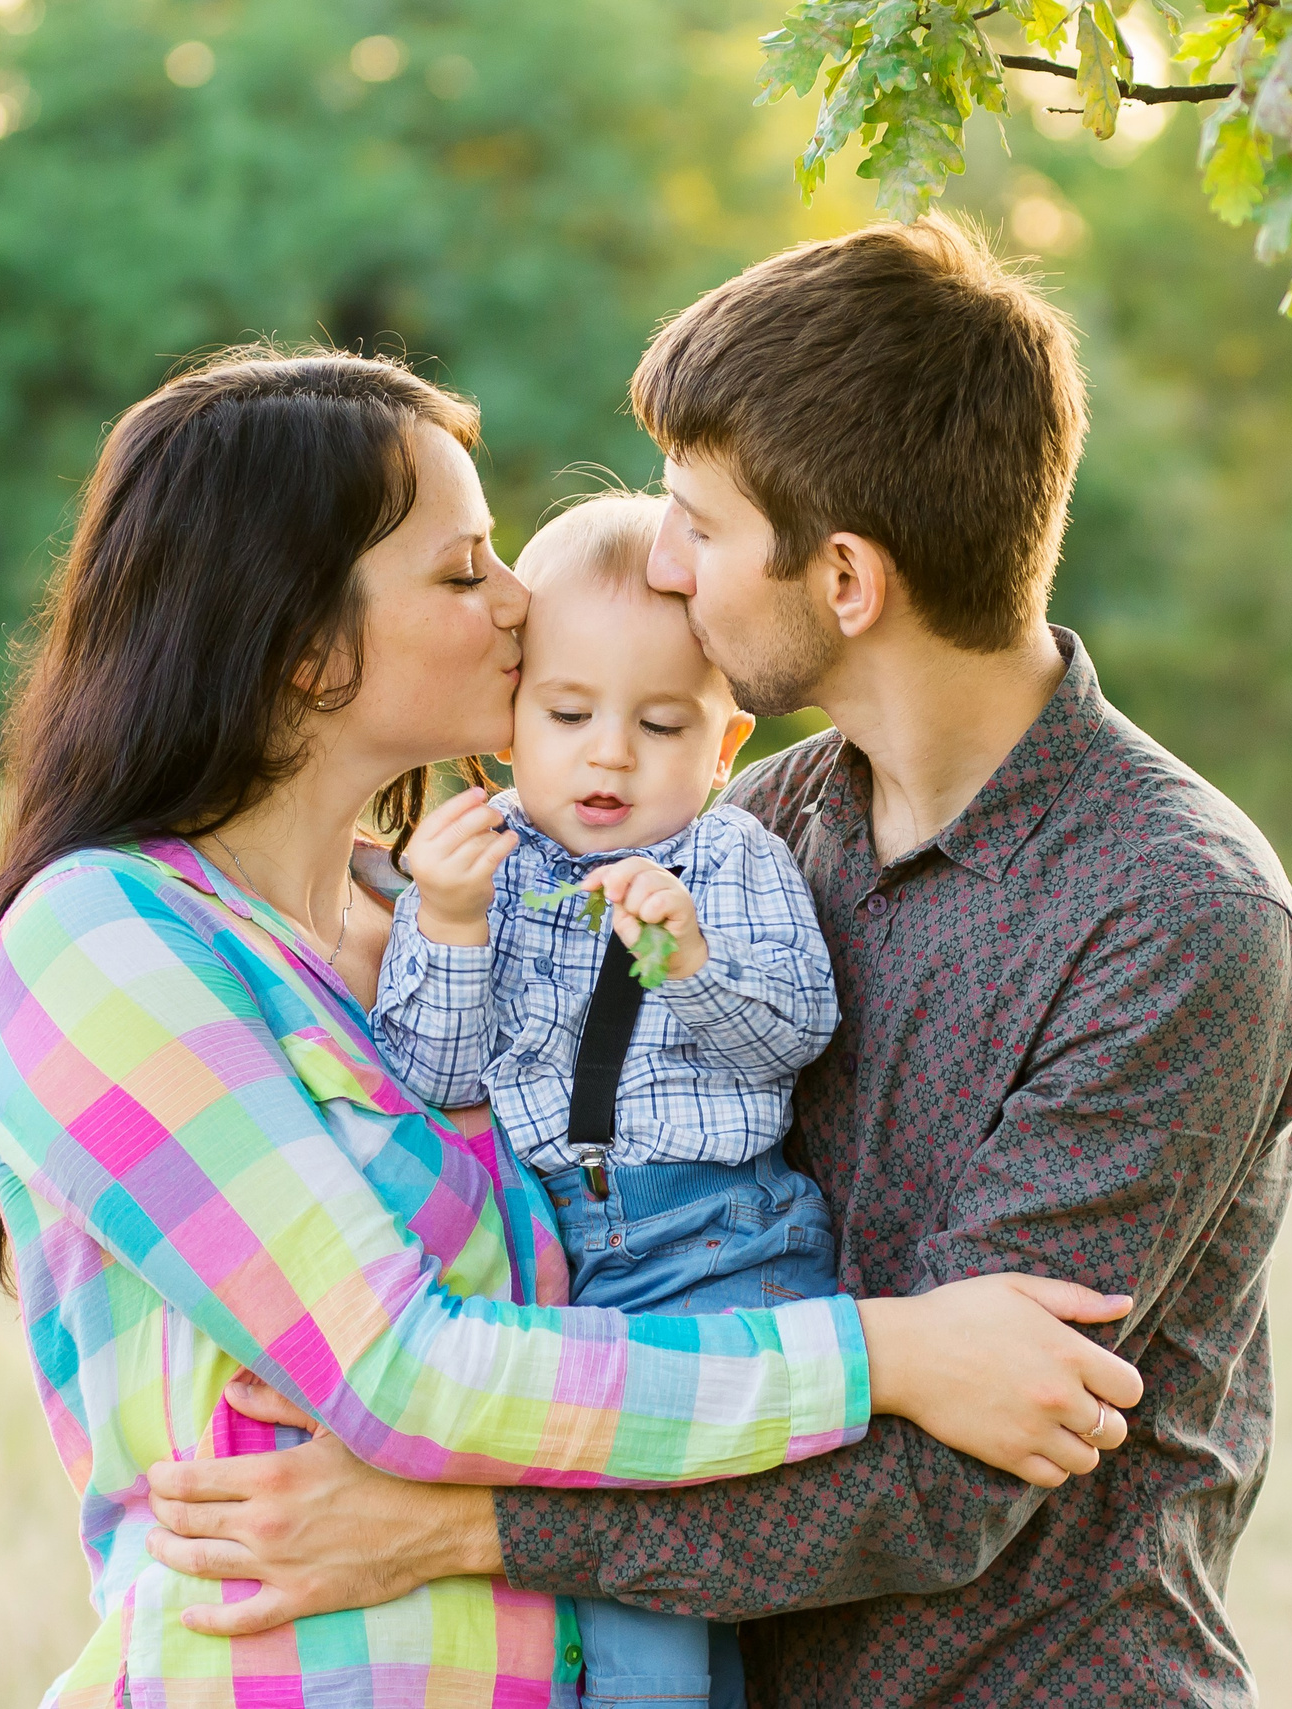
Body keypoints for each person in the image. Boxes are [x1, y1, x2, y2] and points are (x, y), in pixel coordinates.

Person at [142, 221, 1292, 1707]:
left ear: (844, 579)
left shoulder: (1172, 915)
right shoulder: (759, 822)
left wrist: (455, 1528)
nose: (662, 560)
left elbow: (947, 1482)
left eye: (696, 523)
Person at [0, 345, 1149, 1708]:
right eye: (464, 572)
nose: (519, 599)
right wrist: (888, 1353)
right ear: (307, 645)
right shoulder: (109, 941)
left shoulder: (425, 928)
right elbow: (405, 1368)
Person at [372, 493, 844, 1709]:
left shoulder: (728, 858)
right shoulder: (481, 863)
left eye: (661, 722)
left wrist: (688, 964)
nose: (610, 755)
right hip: (552, 1263)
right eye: (569, 713)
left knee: (654, 1602)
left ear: (726, 743)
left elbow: (795, 1032)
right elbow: (432, 1078)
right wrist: (449, 922)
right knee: (599, 1604)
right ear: (510, 718)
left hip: (712, 1246)